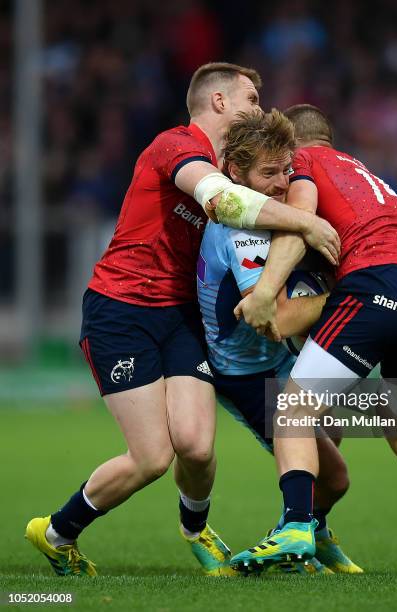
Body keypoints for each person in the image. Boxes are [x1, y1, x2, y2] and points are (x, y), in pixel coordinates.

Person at [25, 68, 340, 578]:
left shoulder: (232, 164)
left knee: (194, 445)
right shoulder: (176, 146)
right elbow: (223, 202)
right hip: (121, 311)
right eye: (251, 98)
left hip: (180, 315)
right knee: (152, 457)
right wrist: (307, 221)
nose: (260, 108)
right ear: (218, 100)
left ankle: (196, 530)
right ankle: (57, 532)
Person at [230, 104, 397, 577]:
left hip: (375, 287)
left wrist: (266, 292)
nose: (284, 175)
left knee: (291, 409)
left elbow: (301, 221)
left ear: (296, 145)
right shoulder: (370, 177)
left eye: (284, 163)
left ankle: (296, 527)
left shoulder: (305, 163)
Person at [198, 109, 362, 574]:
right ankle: (294, 537)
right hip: (248, 372)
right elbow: (278, 320)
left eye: (286, 170)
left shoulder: (277, 213)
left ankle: (306, 533)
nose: (279, 183)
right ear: (235, 173)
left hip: (280, 364)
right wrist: (357, 299)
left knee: (334, 428)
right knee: (335, 477)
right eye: (268, 172)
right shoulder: (242, 230)